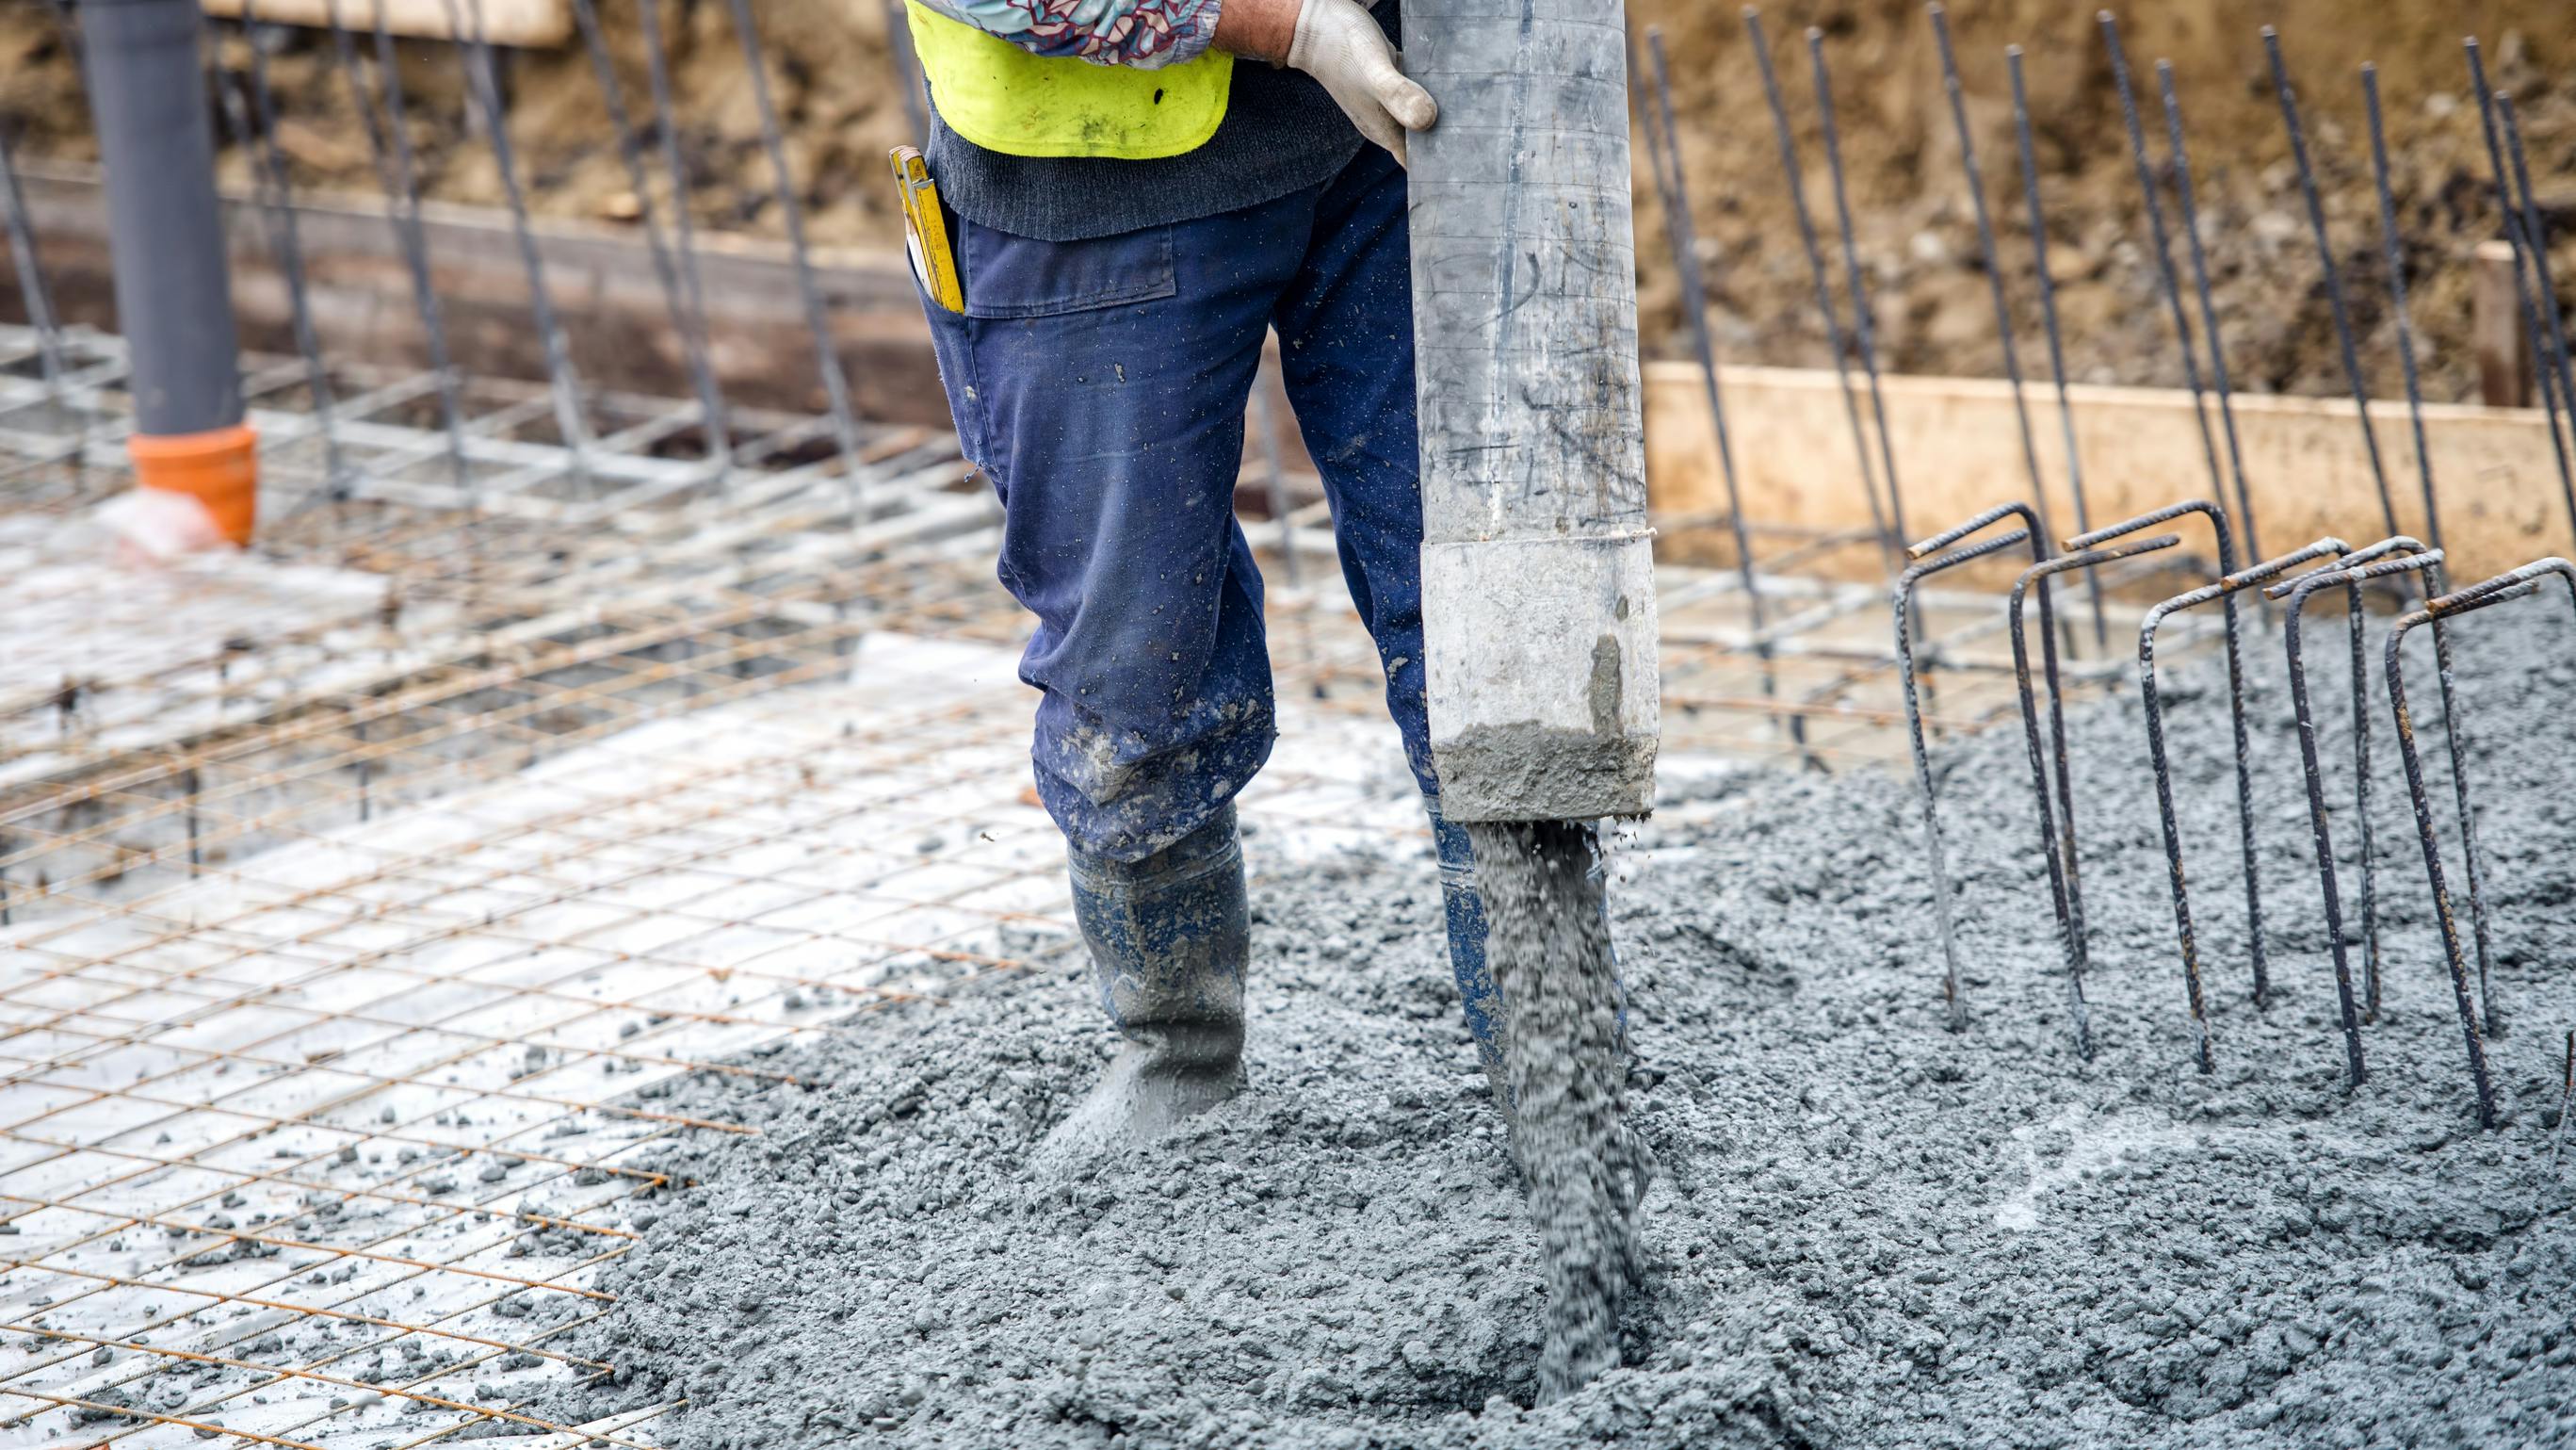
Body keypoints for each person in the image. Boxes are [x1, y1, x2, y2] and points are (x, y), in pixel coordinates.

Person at [899, 0, 1514, 1163]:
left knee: (1488, 599)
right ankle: (1176, 1049)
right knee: (1131, 644)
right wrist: (1284, 27)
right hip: (1092, 187)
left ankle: (1551, 1040)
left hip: (1394, 130)